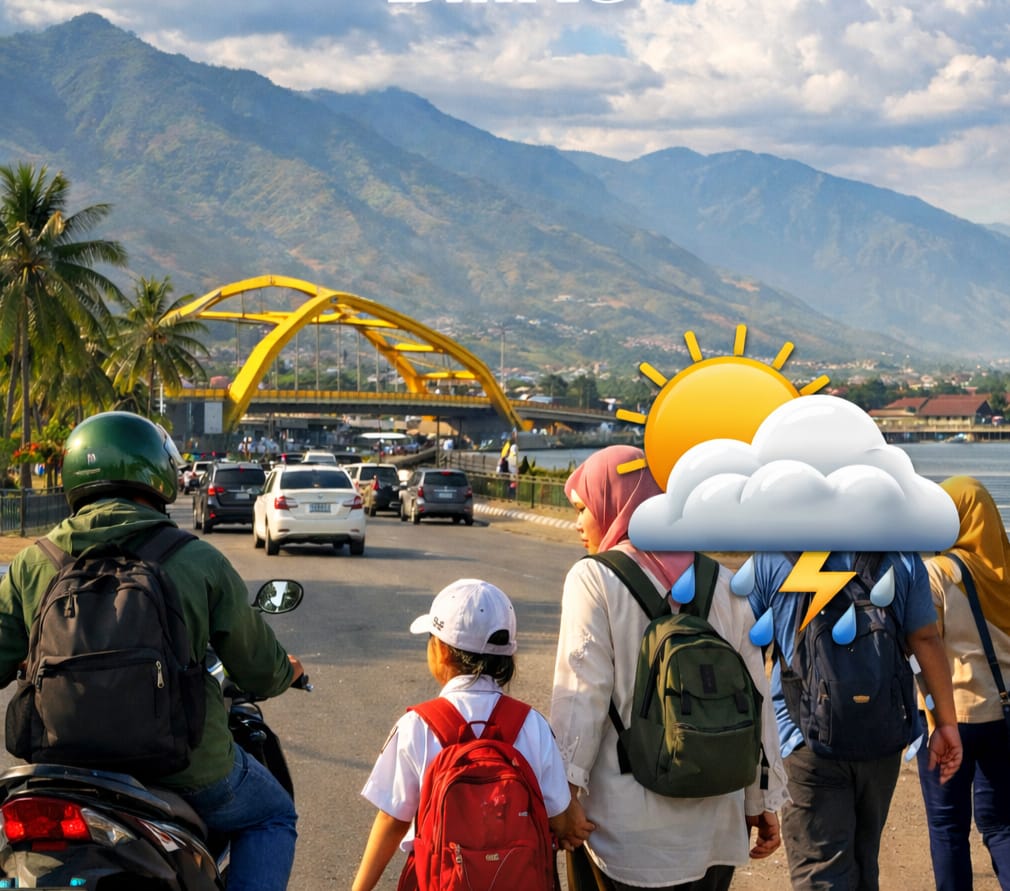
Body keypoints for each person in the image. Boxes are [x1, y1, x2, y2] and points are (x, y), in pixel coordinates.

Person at [0, 411, 304, 891]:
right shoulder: (196, 558)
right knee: (270, 816)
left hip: (62, 768)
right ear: (157, 474)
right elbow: (261, 671)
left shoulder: (33, 562)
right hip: (186, 767)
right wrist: (288, 672)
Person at [550, 445, 788, 891]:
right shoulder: (721, 580)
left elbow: (581, 694)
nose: (579, 523)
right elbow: (757, 697)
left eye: (583, 508)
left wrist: (563, 797)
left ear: (614, 502)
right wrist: (762, 797)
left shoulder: (594, 579)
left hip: (623, 830)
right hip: (714, 824)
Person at [352, 578, 594, 891]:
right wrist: (569, 829)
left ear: (440, 651)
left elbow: (392, 820)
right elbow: (557, 815)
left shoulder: (417, 726)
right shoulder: (531, 724)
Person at [747, 549, 962, 890]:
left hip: (803, 741)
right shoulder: (901, 557)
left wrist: (754, 776)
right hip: (881, 735)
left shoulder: (775, 557)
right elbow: (924, 639)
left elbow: (748, 656)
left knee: (820, 872)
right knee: (865, 865)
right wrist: (946, 723)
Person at [918, 476, 1010, 890]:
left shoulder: (937, 573)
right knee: (1003, 825)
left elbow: (924, 647)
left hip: (950, 717)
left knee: (947, 827)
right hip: (1002, 715)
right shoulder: (1006, 568)